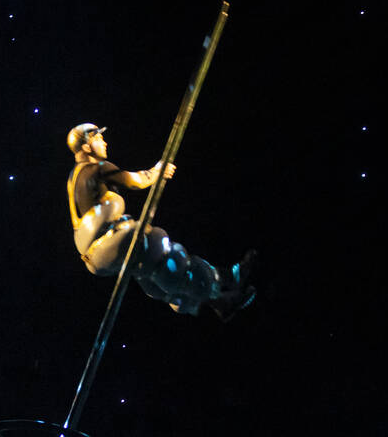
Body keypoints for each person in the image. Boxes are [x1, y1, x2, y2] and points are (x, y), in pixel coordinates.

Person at [66, 122, 255, 320]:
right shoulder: (97, 168)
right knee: (161, 247)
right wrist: (157, 172)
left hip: (98, 254)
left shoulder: (74, 177)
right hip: (109, 243)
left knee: (151, 272)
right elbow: (134, 181)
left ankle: (219, 302)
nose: (104, 142)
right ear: (87, 146)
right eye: (98, 138)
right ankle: (226, 278)